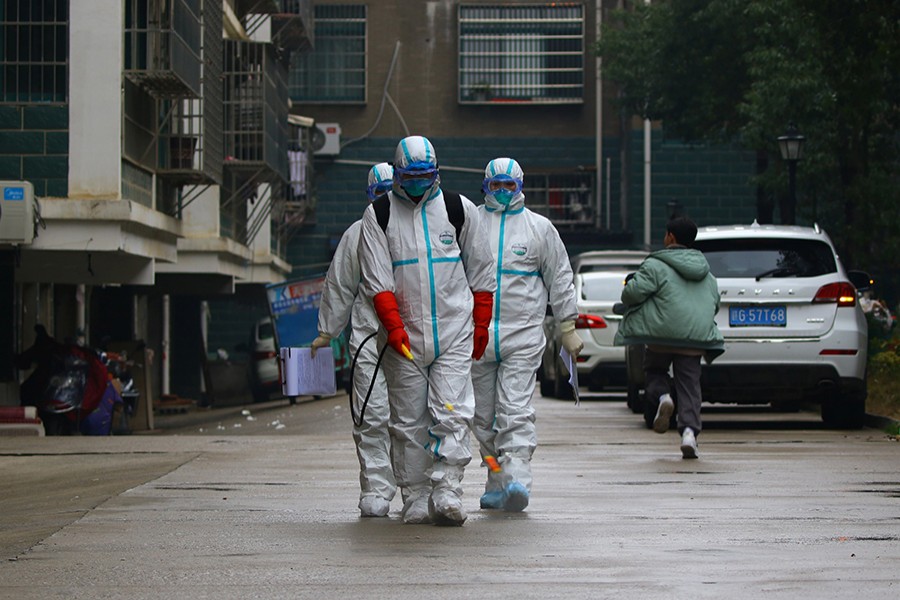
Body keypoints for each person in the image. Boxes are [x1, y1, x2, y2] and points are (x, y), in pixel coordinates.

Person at [358, 135, 496, 526]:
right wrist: (393, 326)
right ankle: (416, 495)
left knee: (452, 412)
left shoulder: (458, 209)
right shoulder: (379, 215)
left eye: (425, 175)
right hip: (404, 337)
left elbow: (481, 271)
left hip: (454, 331)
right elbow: (377, 280)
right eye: (410, 176)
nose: (418, 183)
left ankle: (448, 490)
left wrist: (481, 323)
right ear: (397, 174)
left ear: (436, 172)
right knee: (408, 422)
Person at [471, 157, 583, 512]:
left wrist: (567, 325)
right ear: (485, 185)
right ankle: (496, 479)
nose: (503, 192)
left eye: (510, 185)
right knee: (481, 420)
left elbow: (560, 276)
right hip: (476, 337)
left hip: (522, 336)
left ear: (520, 186)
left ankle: (516, 479)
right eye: (496, 185)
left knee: (514, 411)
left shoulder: (539, 228)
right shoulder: (471, 223)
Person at [310, 163, 396, 517]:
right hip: (369, 337)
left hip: (414, 339)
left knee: (414, 417)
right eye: (380, 193)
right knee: (371, 414)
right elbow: (340, 284)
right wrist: (327, 331)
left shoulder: (422, 230)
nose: (387, 200)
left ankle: (418, 488)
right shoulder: (357, 235)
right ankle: (376, 487)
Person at [615, 216, 724, 459]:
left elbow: (632, 295)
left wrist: (630, 285)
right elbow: (714, 303)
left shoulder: (656, 264)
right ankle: (689, 434)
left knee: (654, 371)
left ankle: (664, 397)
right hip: (694, 338)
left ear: (670, 237)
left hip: (660, 336)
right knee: (690, 386)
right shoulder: (706, 272)